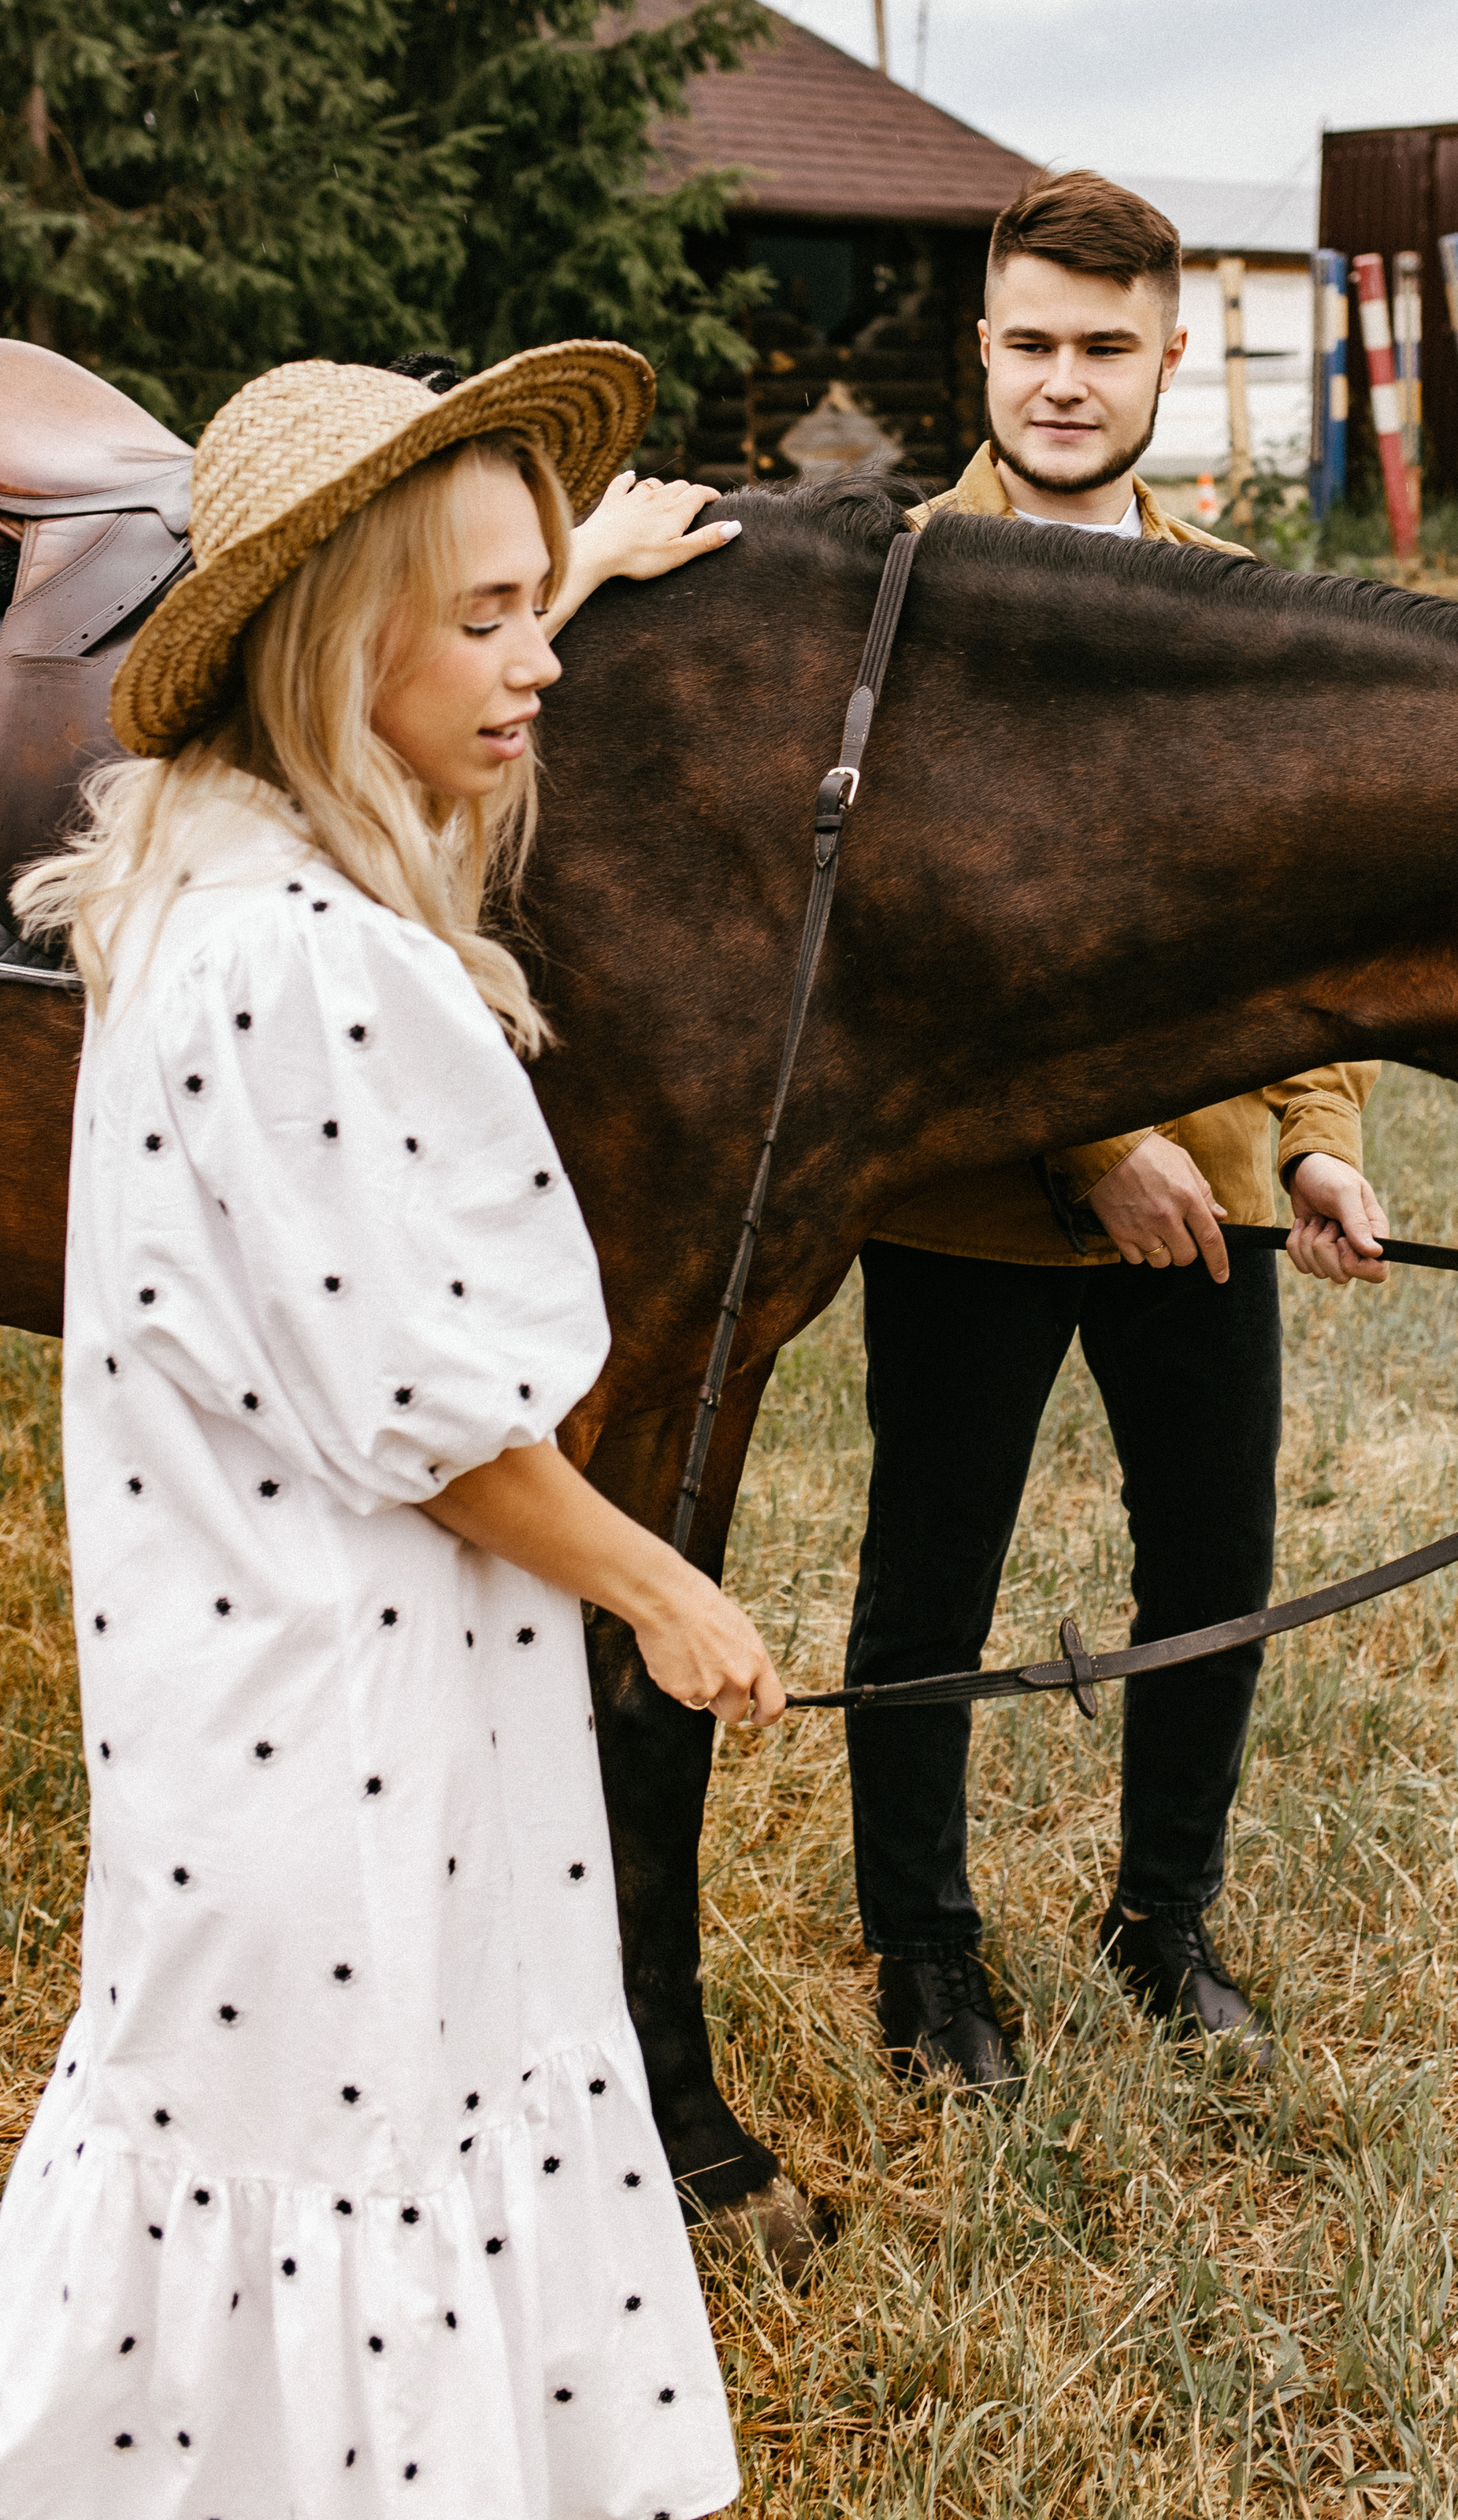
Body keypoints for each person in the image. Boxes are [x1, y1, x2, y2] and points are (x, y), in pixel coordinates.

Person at [0, 343, 771, 2519]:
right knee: (344, 2156)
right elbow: (424, 1422)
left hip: (258, 1676)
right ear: (344, 640)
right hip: (337, 1711)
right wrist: (662, 1587)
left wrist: (562, 565)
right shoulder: (314, 966)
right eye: (486, 618)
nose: (541, 663)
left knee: (267, 2160)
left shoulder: (213, 892)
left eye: (546, 605)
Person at [846, 171, 1389, 2097]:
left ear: (1171, 357)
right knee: (932, 1580)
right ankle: (922, 1958)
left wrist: (1314, 1141)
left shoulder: (1237, 613)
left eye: (1102, 347)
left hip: (1221, 1206)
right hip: (972, 1199)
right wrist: (1091, 1143)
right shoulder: (895, 589)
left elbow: (1297, 927)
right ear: (978, 346)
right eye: (1029, 343)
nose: (1062, 382)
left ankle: (1162, 1919)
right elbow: (899, 918)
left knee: (1211, 1575)